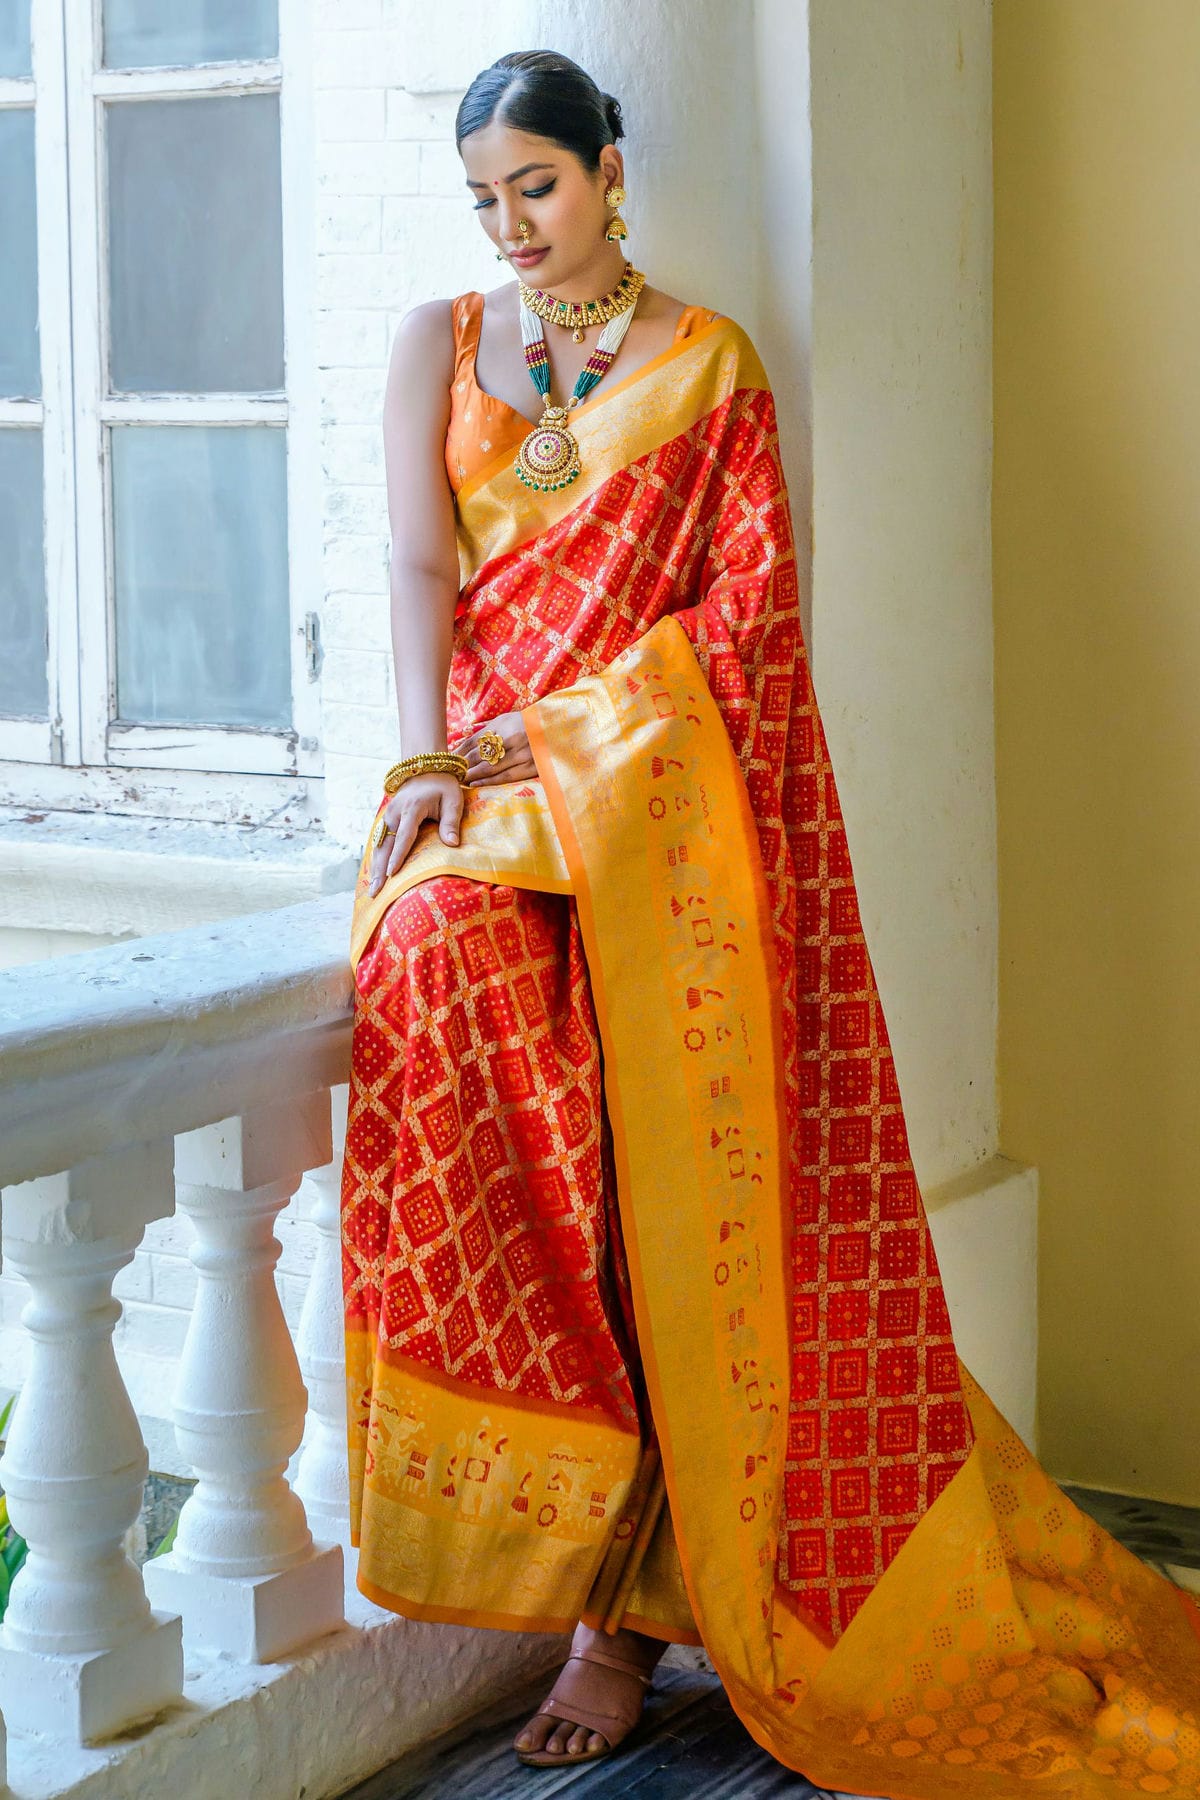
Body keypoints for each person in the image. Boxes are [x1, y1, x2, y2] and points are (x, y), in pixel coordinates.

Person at [341, 48, 1200, 1794]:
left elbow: (747, 634)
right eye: (487, 199)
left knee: (671, 1155)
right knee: (430, 975)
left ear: (609, 170)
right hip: (494, 785)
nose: (515, 228)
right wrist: (433, 757)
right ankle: (565, 1532)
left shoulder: (709, 362)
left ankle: (625, 1617)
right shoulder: (433, 346)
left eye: (542, 188)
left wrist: (549, 741)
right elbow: (426, 569)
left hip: (648, 808)